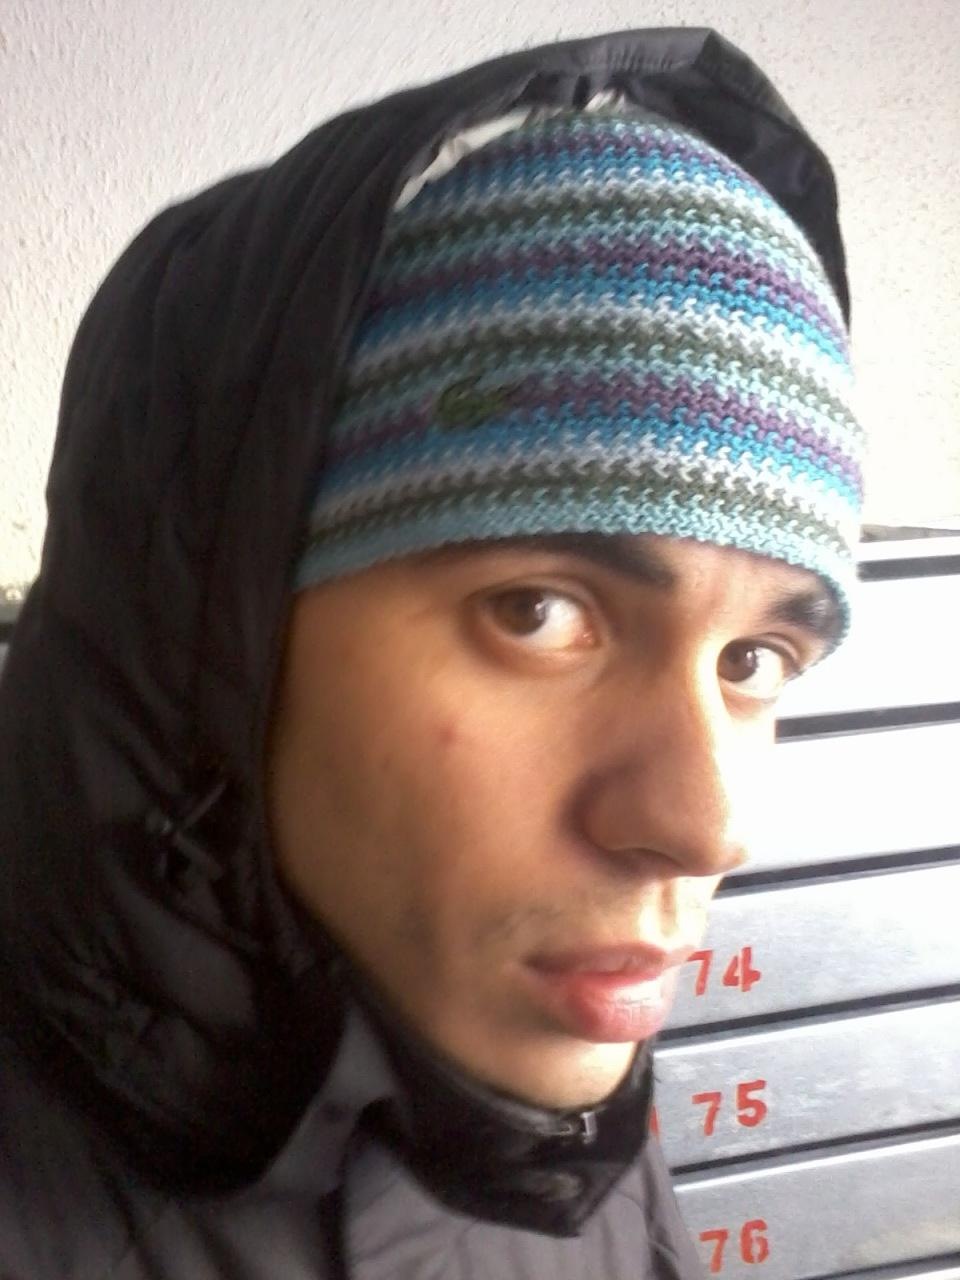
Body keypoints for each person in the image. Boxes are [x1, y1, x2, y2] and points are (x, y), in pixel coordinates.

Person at [0, 26, 863, 1280]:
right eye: (538, 611)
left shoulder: (555, 1108)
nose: (707, 827)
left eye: (756, 659)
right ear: (215, 635)